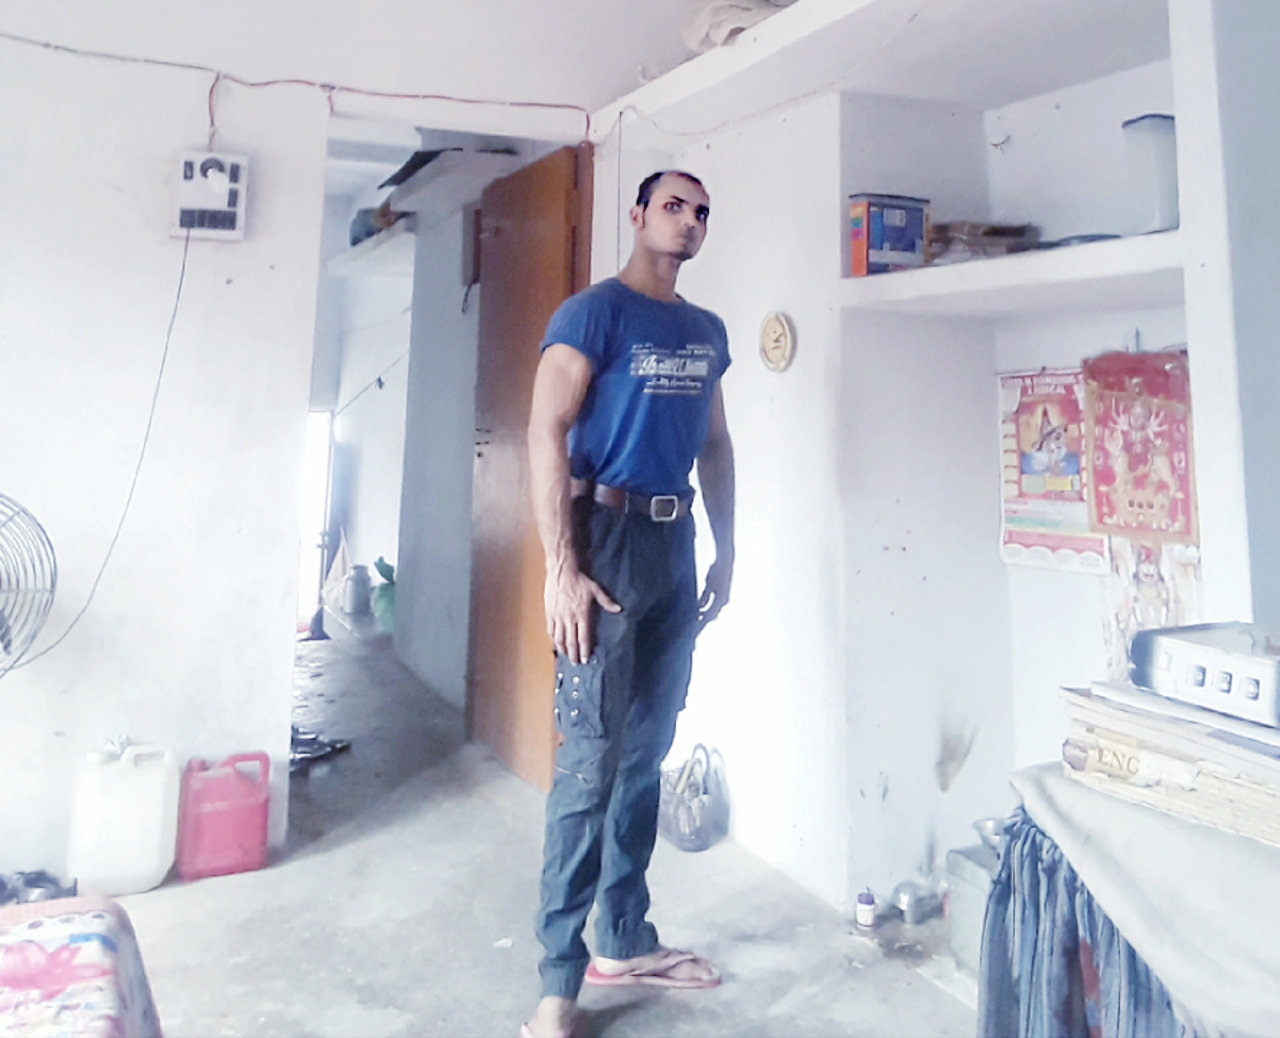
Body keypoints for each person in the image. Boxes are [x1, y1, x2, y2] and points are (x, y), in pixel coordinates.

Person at [522, 170, 736, 1038]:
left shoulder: (706, 331)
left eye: (701, 213)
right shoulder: (593, 315)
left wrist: (729, 549)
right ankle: (558, 983)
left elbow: (715, 444)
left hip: (674, 546)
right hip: (603, 539)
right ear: (640, 215)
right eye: (674, 207)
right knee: (590, 763)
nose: (688, 222)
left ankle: (623, 937)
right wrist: (560, 569)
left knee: (647, 752)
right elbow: (545, 429)